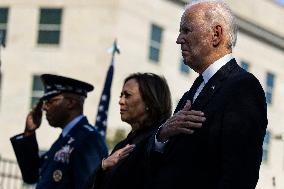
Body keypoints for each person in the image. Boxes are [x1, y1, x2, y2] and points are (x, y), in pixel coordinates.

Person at [149, 1, 268, 189]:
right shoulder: (194, 90)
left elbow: (239, 176)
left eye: (186, 30)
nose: (179, 39)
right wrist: (162, 135)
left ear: (216, 34)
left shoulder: (243, 88)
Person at [10, 74, 108, 189]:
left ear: (70, 103)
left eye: (51, 101)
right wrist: (29, 133)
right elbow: (31, 175)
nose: (45, 107)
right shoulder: (64, 139)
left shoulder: (88, 139)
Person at [86, 72, 172, 189]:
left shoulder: (161, 141)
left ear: (149, 101)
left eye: (127, 95)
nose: (121, 101)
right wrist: (102, 167)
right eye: (121, 95)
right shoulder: (122, 146)